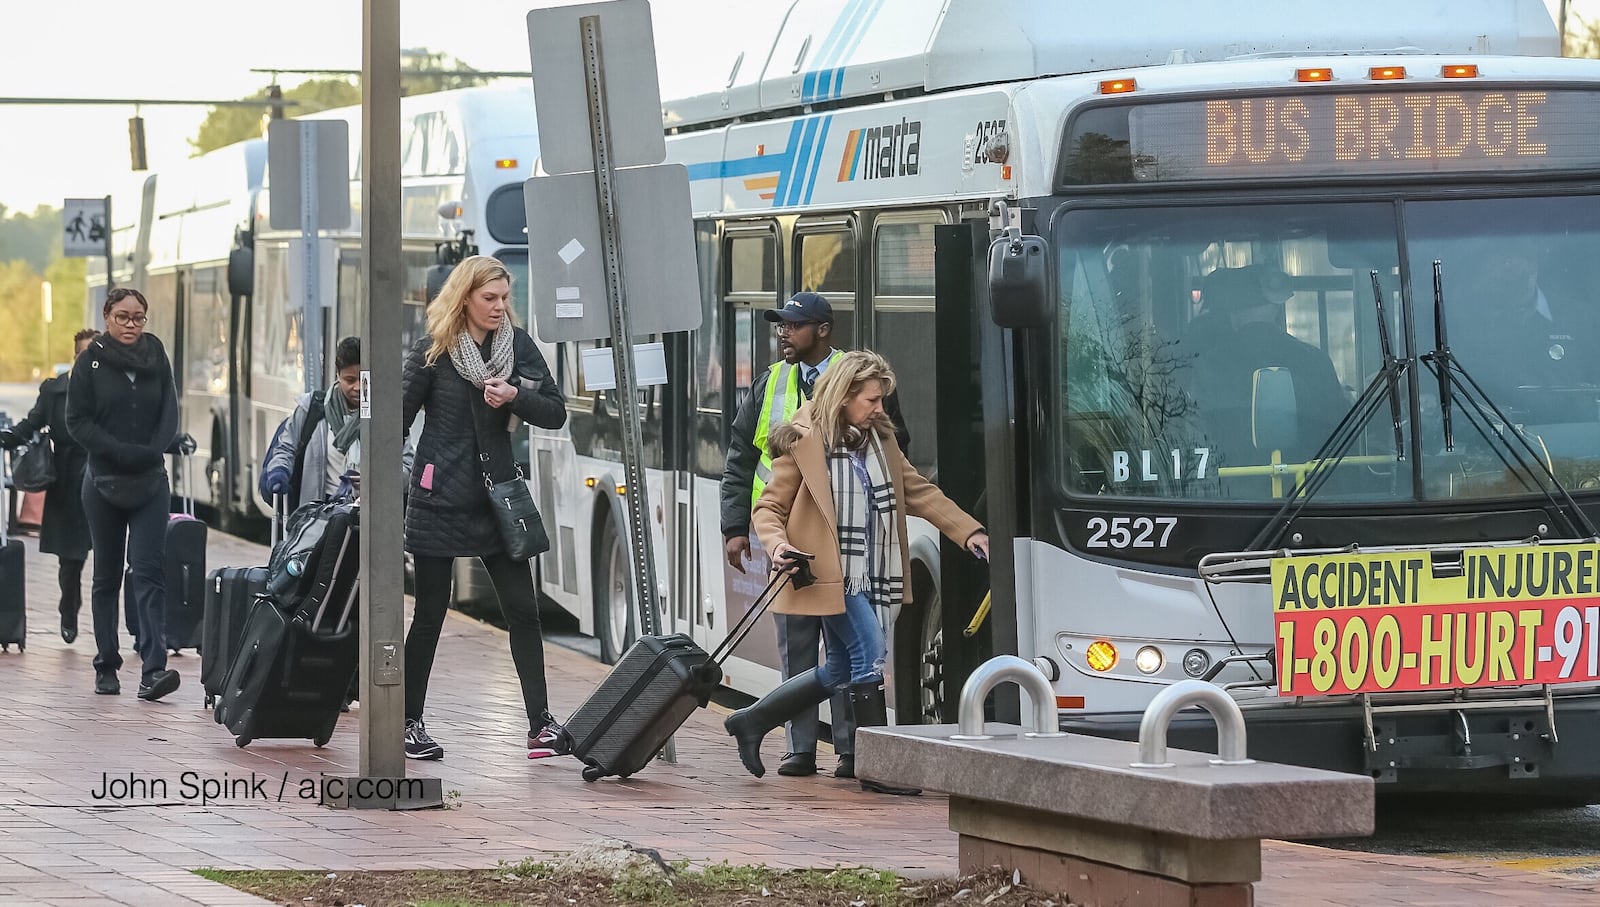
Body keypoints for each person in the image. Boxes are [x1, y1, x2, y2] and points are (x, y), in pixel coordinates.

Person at [726, 350, 989, 795]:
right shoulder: (801, 440)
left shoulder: (880, 440)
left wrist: (969, 533)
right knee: (870, 656)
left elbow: (919, 492)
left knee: (838, 668)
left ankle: (752, 721)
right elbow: (768, 507)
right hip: (831, 574)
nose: (880, 409)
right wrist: (779, 546)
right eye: (872, 400)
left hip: (872, 571)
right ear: (845, 396)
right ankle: (878, 769)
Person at [719, 291, 909, 780]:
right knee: (799, 647)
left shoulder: (860, 380)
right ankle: (799, 748)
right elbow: (741, 454)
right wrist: (735, 527)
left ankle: (850, 752)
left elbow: (895, 446)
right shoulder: (772, 381)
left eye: (792, 325)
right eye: (780, 324)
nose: (783, 332)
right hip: (789, 542)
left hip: (846, 546)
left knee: (850, 652)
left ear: (822, 330)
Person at [401, 255, 567, 761]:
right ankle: (409, 721)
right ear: (465, 297)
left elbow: (556, 412)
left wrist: (515, 395)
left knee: (523, 609)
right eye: (488, 298)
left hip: (497, 498)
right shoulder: (434, 350)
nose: (498, 307)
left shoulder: (516, 346)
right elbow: (396, 419)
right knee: (430, 613)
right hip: (437, 497)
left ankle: (540, 724)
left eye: (503, 298)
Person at [64, 288, 181, 701]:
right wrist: (116, 451)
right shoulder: (90, 362)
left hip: (150, 482)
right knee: (107, 576)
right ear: (107, 317)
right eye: (122, 317)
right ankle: (106, 666)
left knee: (148, 572)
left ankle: (154, 670)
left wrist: (153, 450)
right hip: (103, 484)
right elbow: (76, 421)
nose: (131, 324)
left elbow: (170, 410)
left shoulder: (157, 355)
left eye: (138, 317)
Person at [1186, 265, 1348, 466]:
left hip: (1228, 493)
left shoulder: (1208, 367)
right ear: (1277, 308)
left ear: (1231, 312)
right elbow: (1343, 435)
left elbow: (1196, 439)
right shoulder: (1316, 360)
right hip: (1314, 490)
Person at [0, 329, 100, 643]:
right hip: (68, 477)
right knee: (70, 557)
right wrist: (8, 437)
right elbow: (33, 422)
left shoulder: (111, 391)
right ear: (74, 356)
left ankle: (106, 625)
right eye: (84, 352)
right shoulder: (55, 391)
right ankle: (69, 606)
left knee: (109, 555)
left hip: (104, 475)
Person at [260, 336, 371, 509]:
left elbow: (406, 465)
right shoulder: (312, 408)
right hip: (318, 514)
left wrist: (377, 482)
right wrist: (279, 471)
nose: (357, 387)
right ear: (338, 376)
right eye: (349, 380)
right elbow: (286, 447)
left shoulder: (385, 418)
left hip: (369, 515)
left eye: (363, 380)